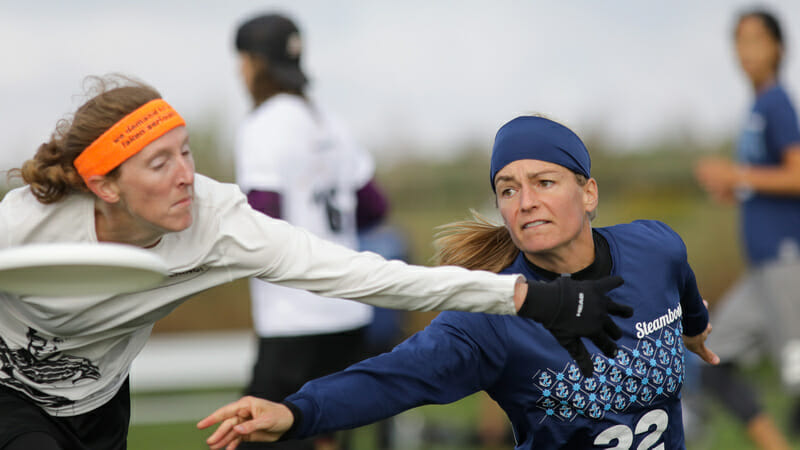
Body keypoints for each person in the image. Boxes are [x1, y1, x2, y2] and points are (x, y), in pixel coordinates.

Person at [0, 76, 631, 450]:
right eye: (159, 164)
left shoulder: (221, 225)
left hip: (101, 403)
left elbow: (370, 276)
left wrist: (529, 297)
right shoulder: (24, 222)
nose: (187, 175)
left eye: (186, 152)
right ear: (106, 186)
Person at [198, 115, 718, 450]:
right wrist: (294, 412)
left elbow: (685, 296)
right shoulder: (490, 315)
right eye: (507, 189)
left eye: (544, 182)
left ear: (588, 193)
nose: (525, 201)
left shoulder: (656, 247)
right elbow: (393, 379)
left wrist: (691, 328)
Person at [232, 13, 388, 450]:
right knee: (322, 434)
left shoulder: (263, 124)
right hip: (349, 311)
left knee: (252, 433)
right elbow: (375, 207)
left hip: (293, 315)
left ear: (254, 63)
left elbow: (263, 213)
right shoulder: (330, 123)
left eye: (241, 62)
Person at [694, 8, 800, 450]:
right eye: (739, 41)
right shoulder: (756, 107)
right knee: (709, 361)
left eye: (757, 39)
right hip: (758, 272)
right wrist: (736, 187)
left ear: (778, 47)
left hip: (784, 264)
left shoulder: (777, 103)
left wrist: (736, 175)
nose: (746, 50)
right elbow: (765, 179)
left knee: (798, 380)